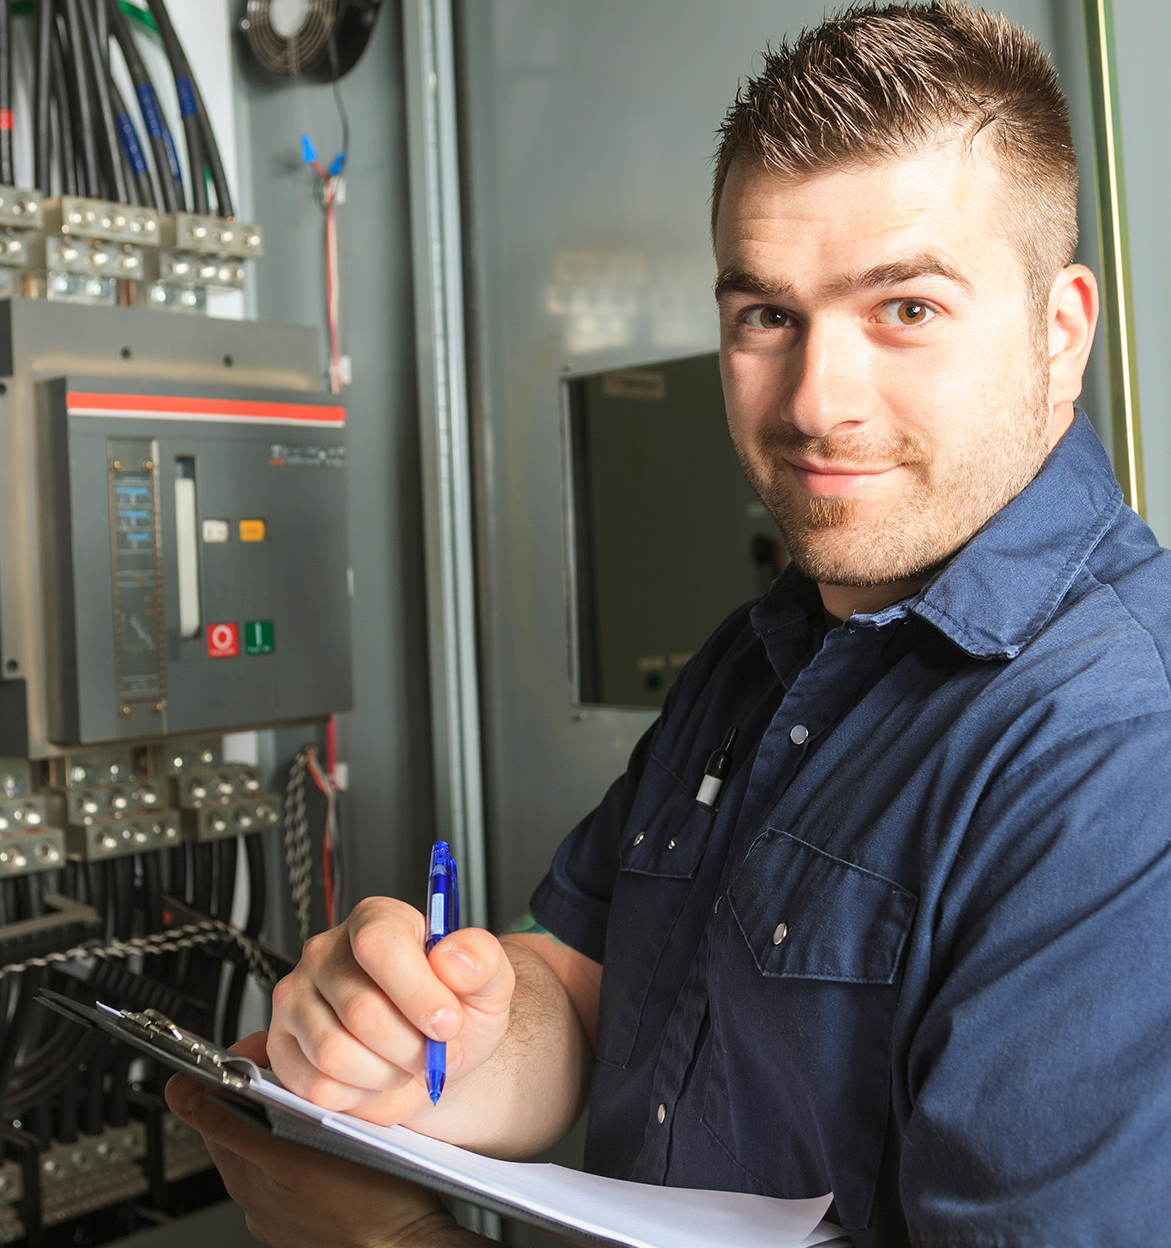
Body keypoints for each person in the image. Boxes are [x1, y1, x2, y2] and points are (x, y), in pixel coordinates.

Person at [165, 4, 1171, 1244]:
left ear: (1060, 332)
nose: (816, 401)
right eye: (766, 316)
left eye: (905, 309)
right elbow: (588, 996)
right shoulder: (763, 658)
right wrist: (441, 1039)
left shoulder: (1121, 747)